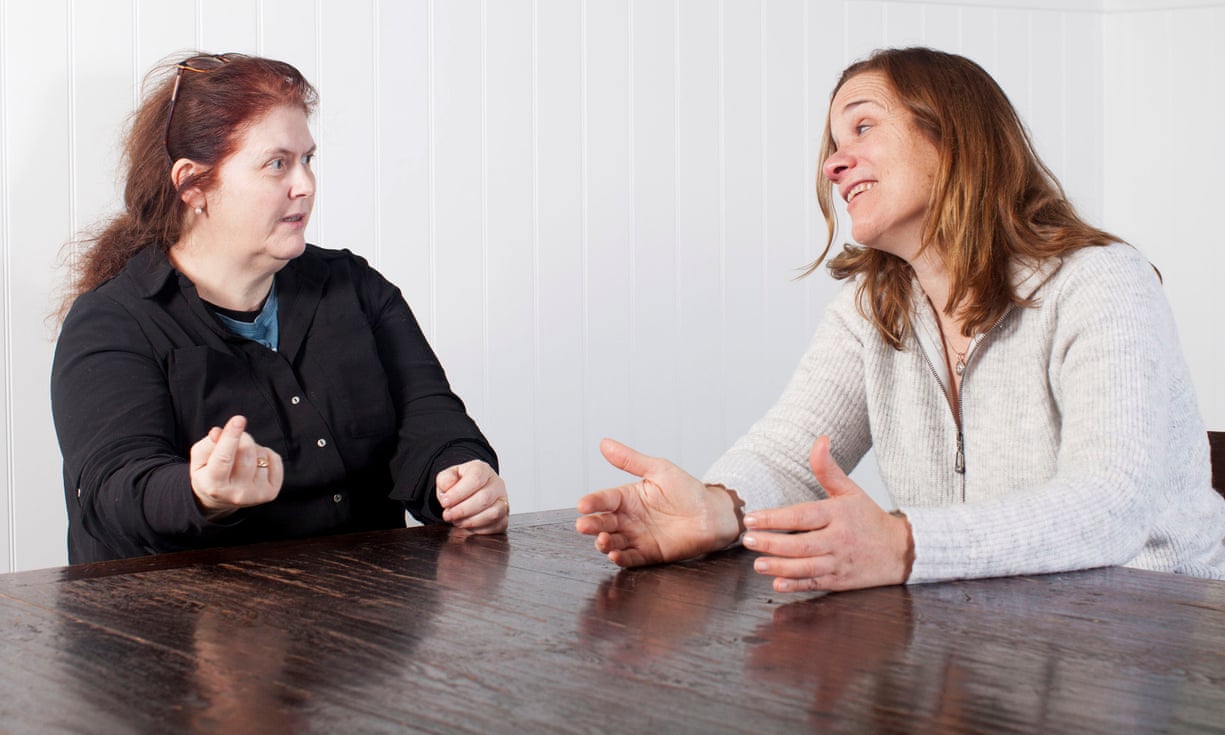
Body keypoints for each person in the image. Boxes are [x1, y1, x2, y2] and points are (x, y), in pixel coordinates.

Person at [576, 47, 1225, 591]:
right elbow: (791, 453)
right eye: (832, 145)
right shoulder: (870, 309)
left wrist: (906, 544)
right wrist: (718, 507)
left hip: (1162, 635)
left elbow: (1109, 505)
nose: (833, 164)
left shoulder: (1098, 279)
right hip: (985, 634)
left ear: (953, 133)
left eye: (861, 128)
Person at [52, 53, 508, 563]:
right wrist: (202, 493)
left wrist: (461, 472)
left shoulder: (355, 288)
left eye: (307, 159)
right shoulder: (112, 323)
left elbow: (430, 417)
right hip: (184, 628)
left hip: (359, 618)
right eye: (277, 164)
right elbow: (111, 488)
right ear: (193, 186)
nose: (305, 185)